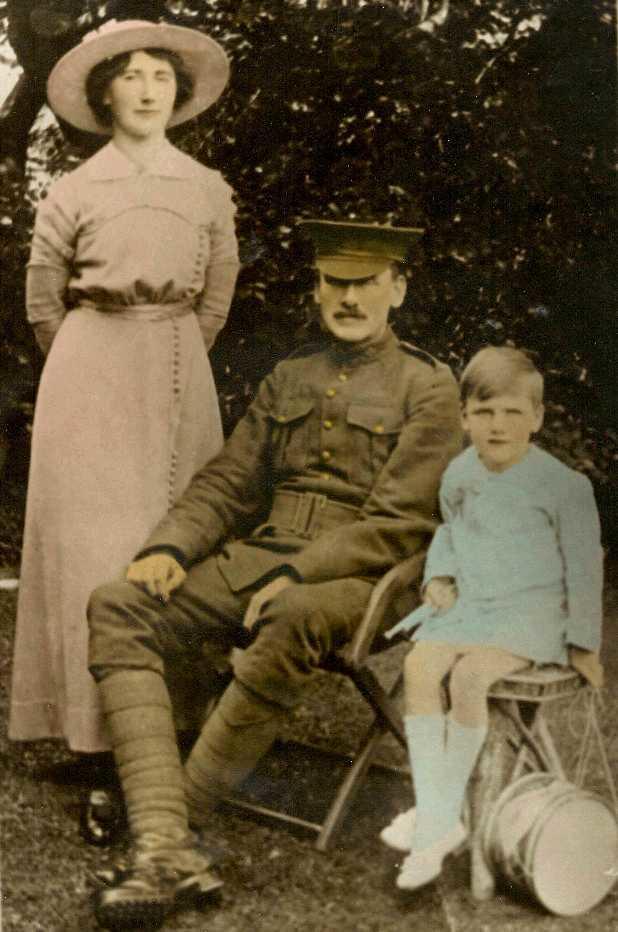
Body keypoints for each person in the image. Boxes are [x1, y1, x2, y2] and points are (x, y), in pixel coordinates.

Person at [84, 219, 463, 929]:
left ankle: (172, 829)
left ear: (398, 289)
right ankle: (167, 842)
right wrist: (170, 548)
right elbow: (229, 481)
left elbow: (400, 522)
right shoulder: (291, 375)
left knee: (293, 613)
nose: (348, 298)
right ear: (316, 289)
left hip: (364, 578)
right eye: (334, 282)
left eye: (366, 283)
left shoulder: (430, 387)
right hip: (262, 557)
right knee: (118, 604)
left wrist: (298, 571)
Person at [8, 18, 239, 835]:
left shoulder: (206, 188)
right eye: (132, 76)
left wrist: (163, 345)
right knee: (92, 544)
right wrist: (96, 356)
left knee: (170, 534)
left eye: (161, 78)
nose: (148, 91)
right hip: (88, 370)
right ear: (105, 95)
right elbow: (43, 301)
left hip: (176, 365)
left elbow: (217, 294)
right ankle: (94, 734)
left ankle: (169, 724)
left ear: (179, 94)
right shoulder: (75, 190)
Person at [379, 345, 605, 892]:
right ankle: (442, 816)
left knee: (469, 676)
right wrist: (440, 576)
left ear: (537, 418)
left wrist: (583, 645)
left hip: (530, 617)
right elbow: (451, 533)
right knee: (418, 667)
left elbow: (584, 568)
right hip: (473, 606)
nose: (497, 425)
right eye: (483, 412)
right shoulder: (460, 473)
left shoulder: (563, 486)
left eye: (512, 412)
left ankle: (434, 819)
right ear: (464, 417)